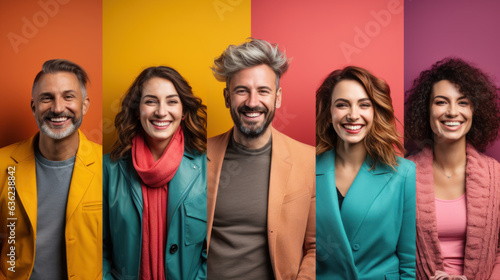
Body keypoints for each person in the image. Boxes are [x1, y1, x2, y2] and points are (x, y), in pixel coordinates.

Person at [206, 38, 315, 279]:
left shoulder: (309, 161)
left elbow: (317, 247)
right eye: (241, 91)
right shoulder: (197, 157)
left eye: (263, 91)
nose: (252, 102)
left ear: (277, 97)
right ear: (227, 98)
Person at [0, 59, 102, 279]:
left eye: (68, 96)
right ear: (34, 106)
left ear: (84, 105)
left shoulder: (107, 166)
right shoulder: (2, 164)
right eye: (47, 98)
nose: (57, 108)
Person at [103, 66, 207, 280]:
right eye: (151, 101)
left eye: (171, 101)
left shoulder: (208, 167)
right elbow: (96, 246)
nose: (161, 111)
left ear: (184, 112)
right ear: (136, 111)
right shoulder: (108, 169)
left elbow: (216, 247)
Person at [316, 66, 416, 280]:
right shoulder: (307, 169)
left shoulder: (404, 173)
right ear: (329, 112)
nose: (353, 115)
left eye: (364, 105)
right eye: (342, 105)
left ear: (376, 111)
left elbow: (409, 260)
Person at [405, 57, 500, 280]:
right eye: (441, 102)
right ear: (425, 110)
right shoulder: (404, 174)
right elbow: (390, 249)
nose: (452, 112)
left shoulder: (496, 176)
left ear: (475, 111)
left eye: (463, 102)